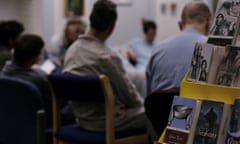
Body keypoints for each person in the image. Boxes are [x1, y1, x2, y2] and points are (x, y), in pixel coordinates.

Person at [63, 0, 146, 131]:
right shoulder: (107, 57)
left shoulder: (72, 50)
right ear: (112, 26)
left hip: (81, 120)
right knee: (157, 113)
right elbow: (131, 99)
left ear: (90, 21)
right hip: (109, 122)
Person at [146, 1, 211, 95]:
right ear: (208, 23)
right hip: (196, 108)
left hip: (159, 109)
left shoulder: (157, 50)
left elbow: (148, 96)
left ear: (180, 25)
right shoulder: (214, 48)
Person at [1, 34, 52, 128]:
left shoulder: (3, 73)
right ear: (36, 58)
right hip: (37, 128)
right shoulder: (39, 80)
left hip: (8, 127)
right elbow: (52, 108)